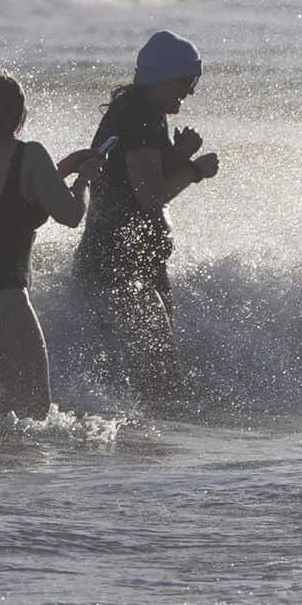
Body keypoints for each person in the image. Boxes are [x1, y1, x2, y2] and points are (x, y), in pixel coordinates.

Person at [72, 30, 219, 401]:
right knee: (162, 379)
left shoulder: (144, 113)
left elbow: (135, 179)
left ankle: (145, 443)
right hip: (121, 262)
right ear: (161, 77)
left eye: (193, 82)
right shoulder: (139, 116)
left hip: (134, 261)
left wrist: (177, 154)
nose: (189, 91)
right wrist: (195, 170)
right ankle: (145, 447)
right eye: (186, 82)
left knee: (158, 374)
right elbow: (150, 196)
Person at [0, 70, 86, 418]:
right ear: (19, 113)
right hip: (2, 295)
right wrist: (85, 179)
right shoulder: (31, 154)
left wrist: (64, 169)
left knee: (9, 408)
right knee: (37, 411)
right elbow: (69, 214)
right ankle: (15, 470)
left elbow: (16, 211)